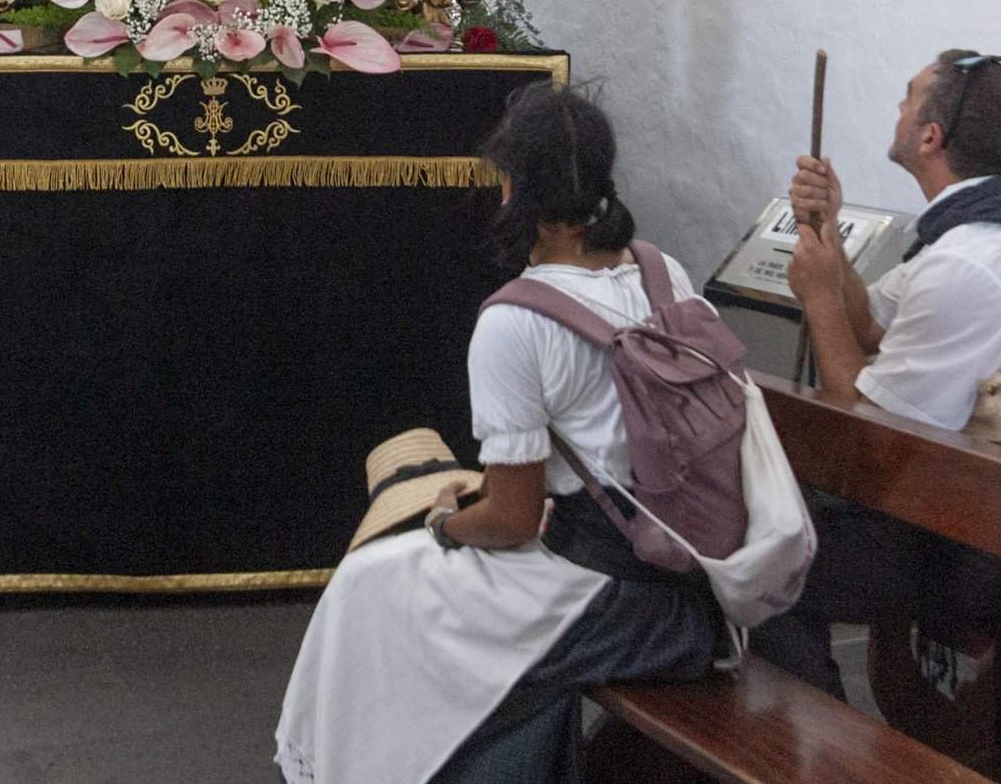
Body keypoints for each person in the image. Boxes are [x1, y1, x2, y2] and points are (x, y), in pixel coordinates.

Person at [276, 87, 723, 784]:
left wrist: (449, 523)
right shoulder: (665, 273)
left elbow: (513, 520)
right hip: (694, 585)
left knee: (375, 588)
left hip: (616, 599)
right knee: (418, 610)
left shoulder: (515, 321)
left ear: (518, 188)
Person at [750, 49, 1001, 698]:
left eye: (907, 98)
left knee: (765, 560)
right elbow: (872, 329)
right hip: (992, 514)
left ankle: (822, 760)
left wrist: (821, 298)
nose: (897, 108)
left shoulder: (972, 262)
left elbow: (867, 434)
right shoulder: (981, 234)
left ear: (930, 136)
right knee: (776, 511)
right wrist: (828, 227)